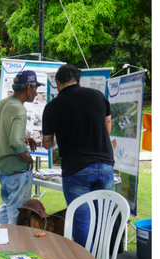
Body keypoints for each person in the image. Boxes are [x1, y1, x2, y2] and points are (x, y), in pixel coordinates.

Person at [41, 63, 117, 246]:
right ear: (79, 80)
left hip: (77, 170)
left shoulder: (52, 107)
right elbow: (108, 125)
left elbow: (47, 143)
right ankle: (102, 258)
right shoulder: (98, 96)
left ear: (57, 82)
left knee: (82, 219)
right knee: (102, 217)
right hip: (105, 165)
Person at [0, 70, 40, 225]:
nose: (36, 93)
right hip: (17, 172)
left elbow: (0, 131)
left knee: (6, 209)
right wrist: (26, 157)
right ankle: (15, 249)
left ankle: (1, 244)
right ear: (28, 87)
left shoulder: (3, 103)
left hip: (2, 170)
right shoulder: (19, 108)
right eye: (35, 88)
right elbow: (14, 143)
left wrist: (23, 138)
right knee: (18, 216)